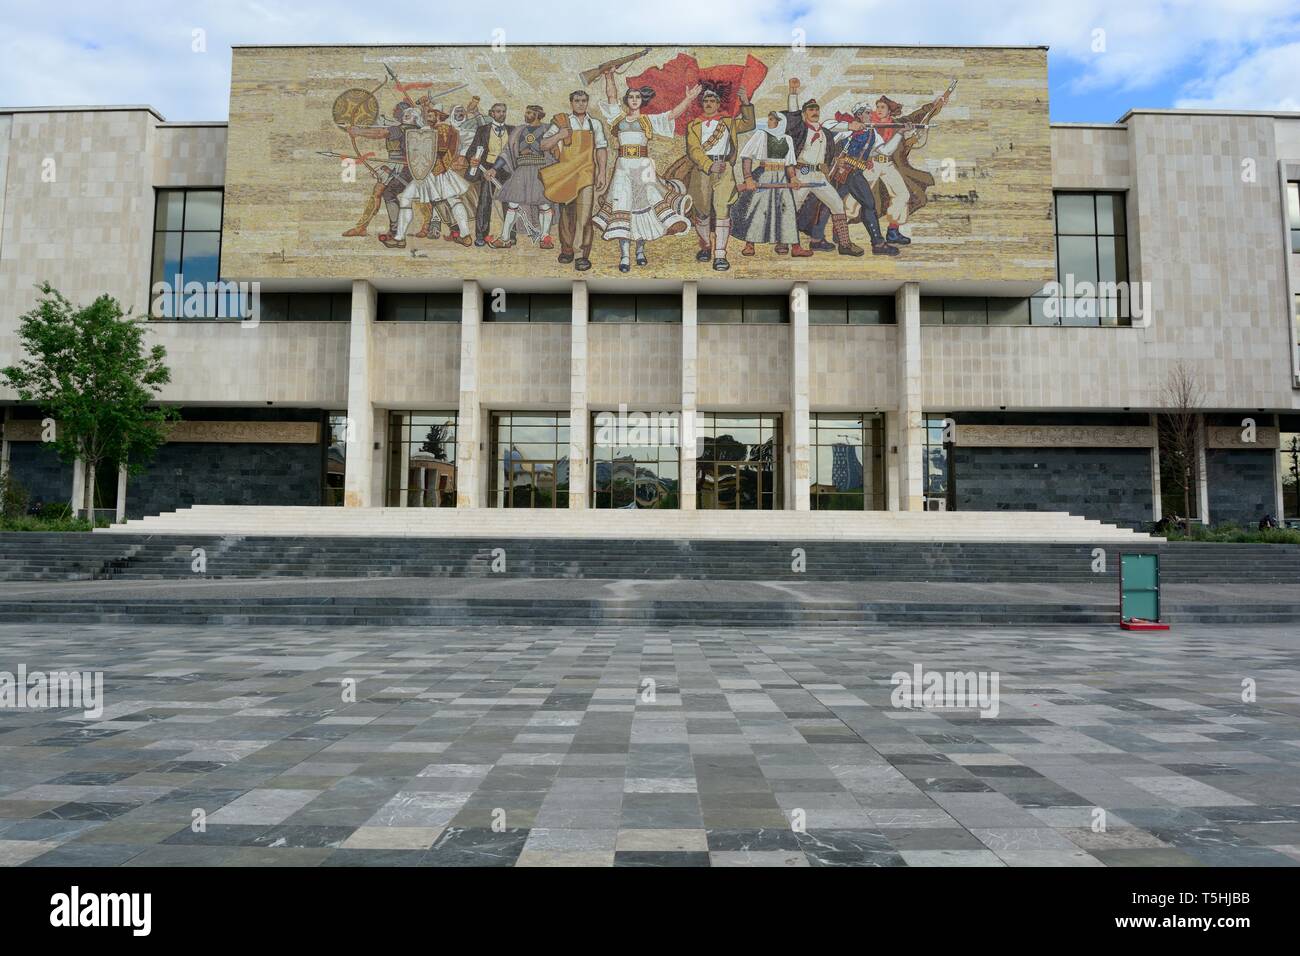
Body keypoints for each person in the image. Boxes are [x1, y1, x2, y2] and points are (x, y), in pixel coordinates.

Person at [592, 73, 696, 271]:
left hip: (643, 168)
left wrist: (689, 98)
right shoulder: (618, 118)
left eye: (637, 97)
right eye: (630, 97)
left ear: (642, 100)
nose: (634, 100)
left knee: (644, 209)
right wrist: (608, 76)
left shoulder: (648, 120)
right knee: (623, 208)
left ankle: (640, 251)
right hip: (623, 169)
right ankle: (624, 256)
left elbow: (672, 114)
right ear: (626, 100)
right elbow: (611, 96)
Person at [782, 78, 864, 257]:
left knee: (837, 205)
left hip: (819, 177)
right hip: (802, 173)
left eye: (816, 109)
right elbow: (793, 114)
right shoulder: (800, 129)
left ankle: (844, 244)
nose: (814, 112)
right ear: (804, 113)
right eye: (810, 110)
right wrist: (793, 92)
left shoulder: (825, 131)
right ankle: (783, 242)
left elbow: (830, 148)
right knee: (791, 208)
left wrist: (833, 164)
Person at [677, 86, 755, 270]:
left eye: (713, 101)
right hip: (703, 170)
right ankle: (705, 247)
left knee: (723, 211)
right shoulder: (694, 125)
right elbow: (694, 149)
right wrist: (708, 165)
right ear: (702, 104)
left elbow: (749, 123)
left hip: (725, 169)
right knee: (702, 211)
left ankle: (720, 255)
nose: (709, 104)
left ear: (718, 104)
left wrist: (745, 102)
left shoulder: (728, 122)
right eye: (706, 101)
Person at [540, 90, 609, 272]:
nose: (580, 104)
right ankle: (567, 249)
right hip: (566, 175)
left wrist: (602, 172)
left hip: (586, 174)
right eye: (577, 101)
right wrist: (559, 135)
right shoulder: (562, 122)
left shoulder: (595, 124)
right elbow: (543, 145)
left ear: (587, 102)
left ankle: (581, 254)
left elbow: (601, 149)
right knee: (566, 215)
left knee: (584, 216)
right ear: (571, 102)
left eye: (584, 101)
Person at [731, 111, 800, 256]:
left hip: (782, 178)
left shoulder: (788, 139)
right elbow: (747, 156)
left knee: (785, 209)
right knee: (757, 208)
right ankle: (750, 243)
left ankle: (783, 241)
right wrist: (748, 178)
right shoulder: (761, 135)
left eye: (773, 119)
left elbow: (789, 164)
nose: (769, 122)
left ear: (781, 122)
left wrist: (793, 178)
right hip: (764, 176)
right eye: (769, 119)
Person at [488, 105, 557, 249]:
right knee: (513, 204)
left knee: (544, 204)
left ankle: (545, 238)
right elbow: (507, 152)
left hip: (541, 171)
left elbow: (555, 149)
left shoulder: (548, 129)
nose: (526, 114)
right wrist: (494, 168)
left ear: (538, 114)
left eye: (530, 112)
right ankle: (505, 238)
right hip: (522, 171)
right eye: (526, 112)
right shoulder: (519, 130)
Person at [465, 103, 513, 245]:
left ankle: (511, 235)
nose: (502, 114)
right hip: (487, 169)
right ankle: (481, 236)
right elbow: (471, 151)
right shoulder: (482, 130)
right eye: (498, 111)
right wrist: (472, 159)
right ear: (491, 113)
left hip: (508, 169)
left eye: (504, 111)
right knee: (485, 202)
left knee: (511, 203)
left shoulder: (512, 130)